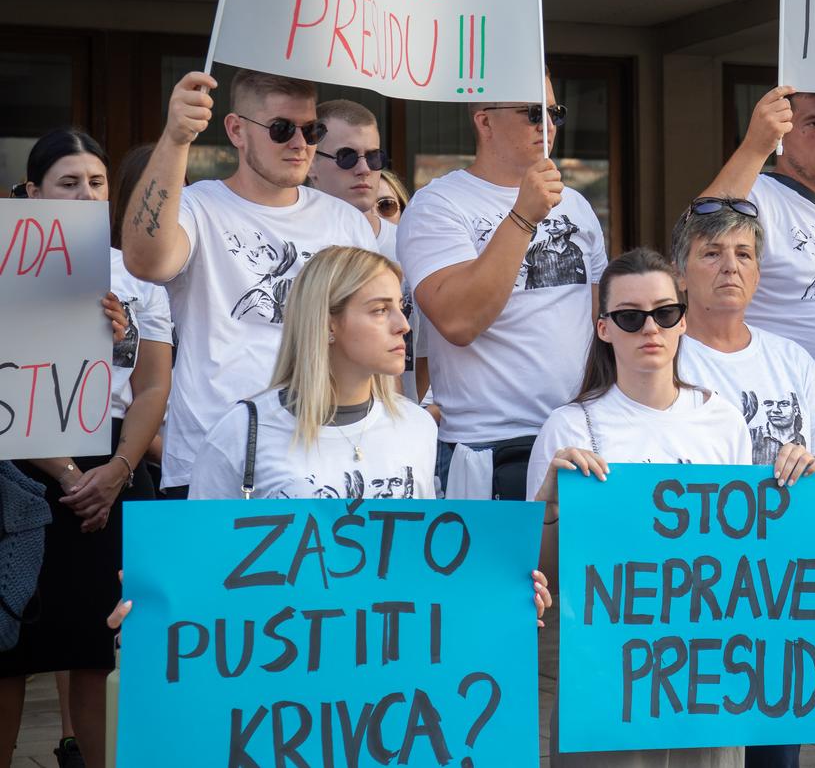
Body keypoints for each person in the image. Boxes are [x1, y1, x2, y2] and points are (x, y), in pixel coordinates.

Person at [527, 248, 815, 767]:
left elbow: (750, 557)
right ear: (603, 328)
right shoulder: (567, 427)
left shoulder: (723, 419)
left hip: (707, 676)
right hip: (606, 677)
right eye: (630, 316)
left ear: (682, 319)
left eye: (665, 313)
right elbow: (541, 579)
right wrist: (549, 506)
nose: (650, 329)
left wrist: (800, 485)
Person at [118, 70, 378, 497]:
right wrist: (176, 139)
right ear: (237, 130)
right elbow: (146, 261)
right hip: (215, 462)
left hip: (322, 461)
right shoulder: (200, 207)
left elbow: (371, 332)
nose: (300, 144)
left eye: (311, 130)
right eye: (281, 129)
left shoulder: (344, 220)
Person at [0, 130, 169, 768]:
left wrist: (116, 471)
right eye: (68, 183)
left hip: (113, 467)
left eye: (95, 182)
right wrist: (70, 475)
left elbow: (151, 382)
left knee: (97, 649)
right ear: (32, 191)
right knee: (10, 651)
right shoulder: (8, 262)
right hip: (23, 466)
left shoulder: (138, 272)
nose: (84, 194)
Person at [669, 198, 815, 768]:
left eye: (744, 254)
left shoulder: (792, 359)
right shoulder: (662, 354)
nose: (730, 266)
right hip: (692, 591)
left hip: (778, 590)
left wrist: (809, 465)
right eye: (712, 253)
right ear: (681, 272)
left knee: (777, 755)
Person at [399, 75, 605, 499]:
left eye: (555, 112)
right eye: (532, 112)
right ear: (485, 122)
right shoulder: (439, 204)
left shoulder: (578, 205)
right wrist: (522, 218)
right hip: (491, 444)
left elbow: (599, 317)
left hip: (578, 433)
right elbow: (458, 320)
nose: (546, 124)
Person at [700, 88, 815, 470]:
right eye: (812, 123)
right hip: (793, 435)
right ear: (782, 136)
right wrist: (755, 145)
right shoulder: (755, 194)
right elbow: (699, 233)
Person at [188, 246, 437, 499]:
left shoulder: (417, 426)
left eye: (400, 306)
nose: (403, 325)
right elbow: (205, 536)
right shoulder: (240, 433)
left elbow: (420, 535)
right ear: (328, 323)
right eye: (380, 310)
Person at [308, 98, 429, 403]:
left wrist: (418, 413)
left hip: (397, 421)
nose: (363, 169)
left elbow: (428, 346)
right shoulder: (295, 246)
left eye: (374, 158)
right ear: (311, 162)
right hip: (315, 416)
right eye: (346, 157)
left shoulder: (408, 244)